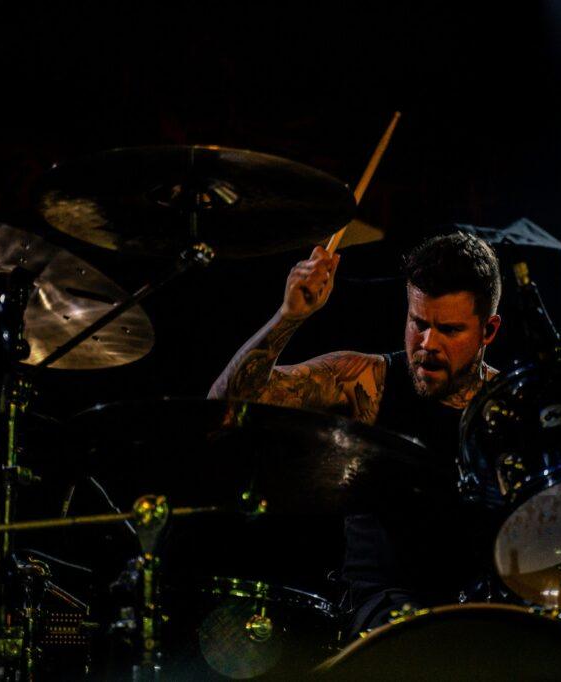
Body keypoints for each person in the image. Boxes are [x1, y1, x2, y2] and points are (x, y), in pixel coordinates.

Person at [208, 231, 503, 633]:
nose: (427, 343)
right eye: (418, 323)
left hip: (481, 611)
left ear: (488, 330)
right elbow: (227, 407)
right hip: (381, 609)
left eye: (449, 330)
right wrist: (288, 316)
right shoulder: (367, 380)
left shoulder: (510, 408)